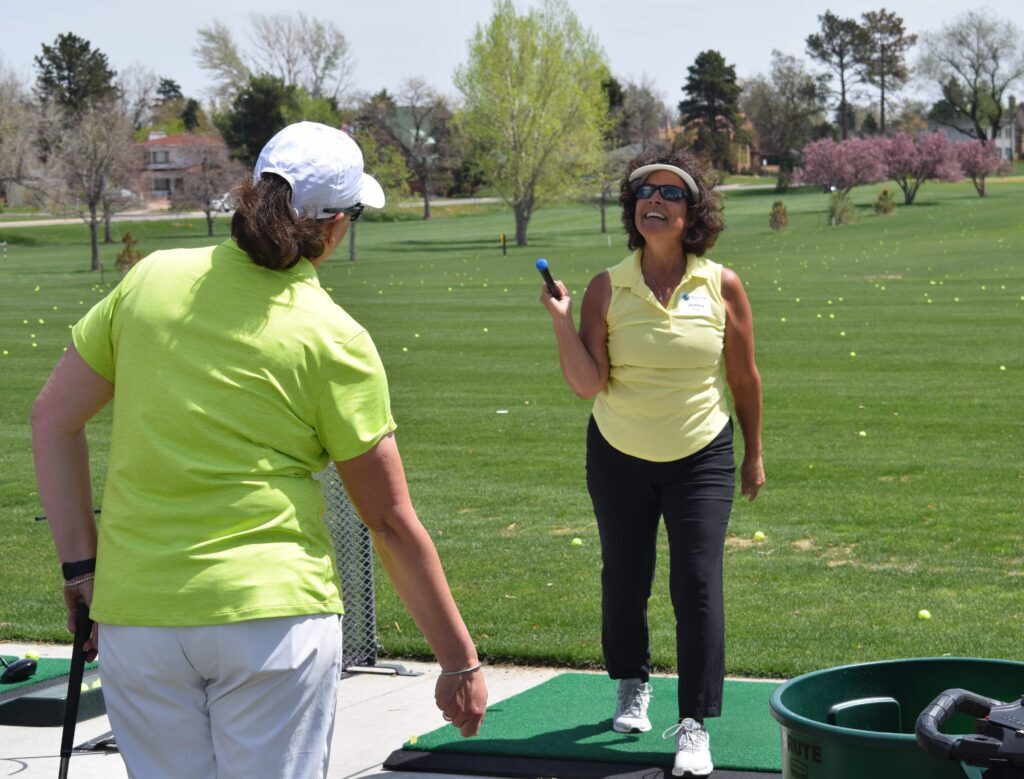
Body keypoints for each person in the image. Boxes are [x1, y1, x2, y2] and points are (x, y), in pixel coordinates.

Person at [31, 121, 487, 779]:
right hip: (273, 622)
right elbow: (388, 521)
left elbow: (52, 420)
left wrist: (81, 568)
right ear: (335, 225)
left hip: (138, 618)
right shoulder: (334, 336)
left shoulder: (151, 279)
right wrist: (459, 661)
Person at [540, 148, 763, 777]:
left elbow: (744, 378)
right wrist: (560, 323)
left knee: (697, 583)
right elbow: (588, 384)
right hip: (619, 454)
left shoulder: (722, 284)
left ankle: (694, 722)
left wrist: (754, 454)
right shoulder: (607, 287)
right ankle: (632, 682)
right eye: (644, 192)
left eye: (669, 193)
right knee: (625, 576)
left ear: (694, 211)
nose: (654, 202)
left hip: (702, 454)